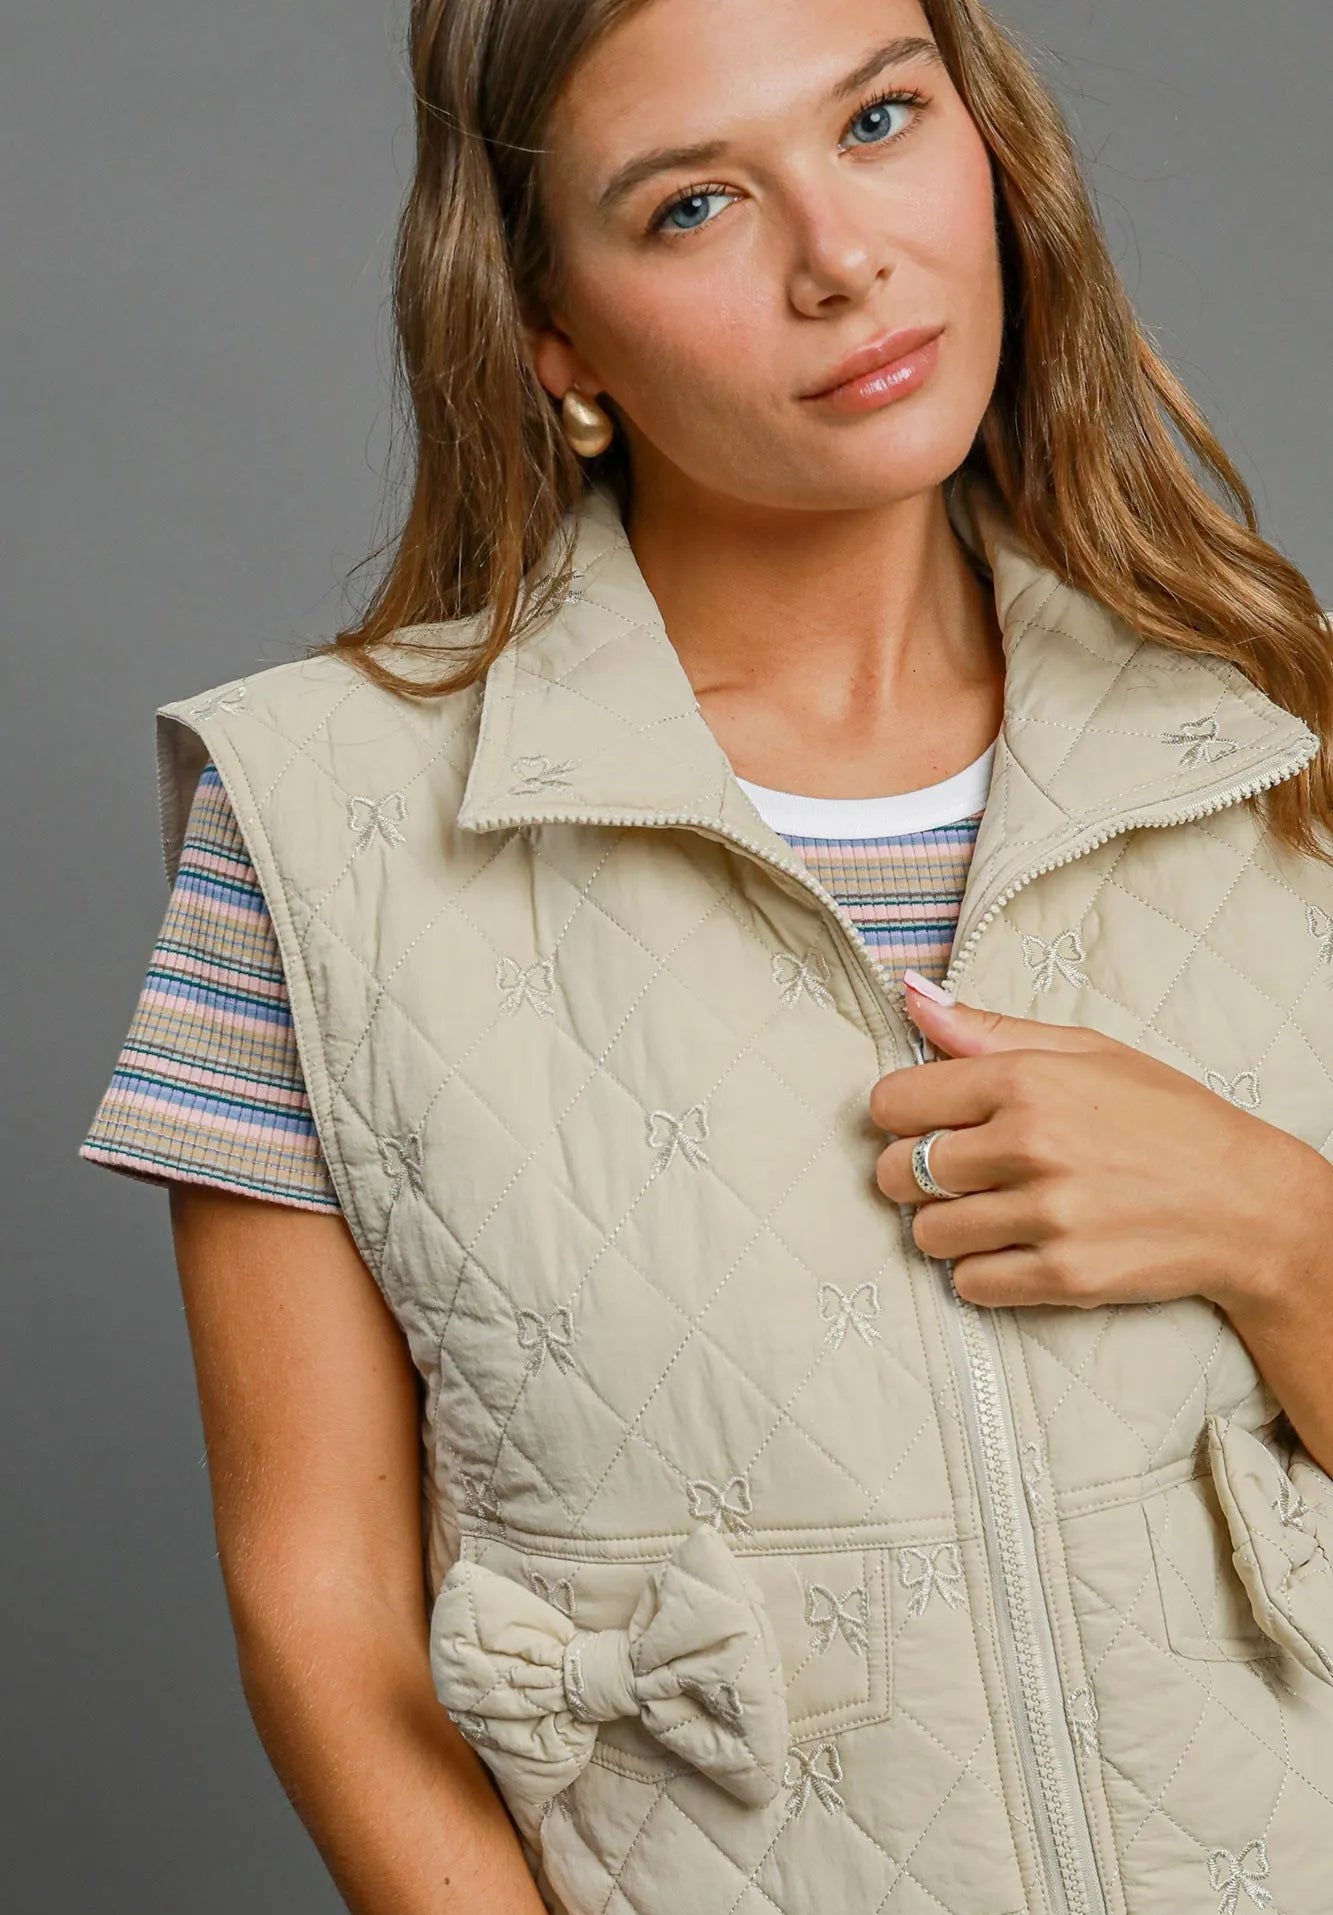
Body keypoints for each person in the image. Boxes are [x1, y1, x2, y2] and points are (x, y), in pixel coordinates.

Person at [80, 1, 1333, 1911]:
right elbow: (324, 1628)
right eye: (690, 207)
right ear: (548, 333)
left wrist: (1283, 1235)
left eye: (879, 120)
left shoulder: (1281, 730)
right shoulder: (310, 826)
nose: (843, 260)